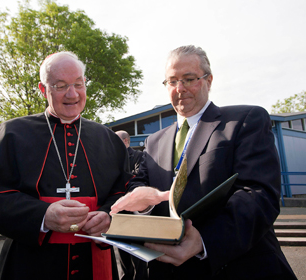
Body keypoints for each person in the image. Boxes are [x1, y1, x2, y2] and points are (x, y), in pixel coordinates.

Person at [110, 45, 297, 280]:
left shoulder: (245, 121)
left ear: (208, 80)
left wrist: (204, 240)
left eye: (189, 79)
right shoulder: (154, 141)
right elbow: (139, 183)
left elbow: (257, 194)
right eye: (172, 81)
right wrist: (144, 199)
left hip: (237, 267)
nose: (180, 89)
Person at [0, 51, 132, 280]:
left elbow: (124, 193)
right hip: (31, 263)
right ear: (44, 89)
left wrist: (108, 216)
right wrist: (42, 216)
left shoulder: (108, 138)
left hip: (93, 262)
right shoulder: (12, 133)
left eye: (78, 83)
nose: (72, 94)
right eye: (61, 85)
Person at [116, 130, 147, 280]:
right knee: (121, 247)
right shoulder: (111, 157)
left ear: (126, 141)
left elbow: (136, 178)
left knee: (137, 248)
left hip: (134, 212)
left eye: (117, 141)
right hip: (118, 211)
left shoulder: (138, 156)